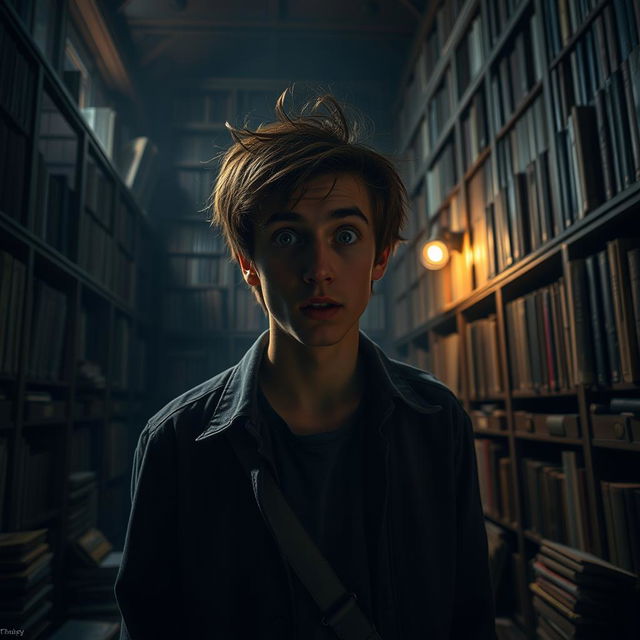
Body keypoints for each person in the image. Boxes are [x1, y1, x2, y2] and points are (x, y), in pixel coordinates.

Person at [114, 89, 496, 639]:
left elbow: (468, 616)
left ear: (380, 257)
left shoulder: (437, 421)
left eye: (345, 236)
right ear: (250, 265)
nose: (319, 268)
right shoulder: (178, 440)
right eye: (288, 236)